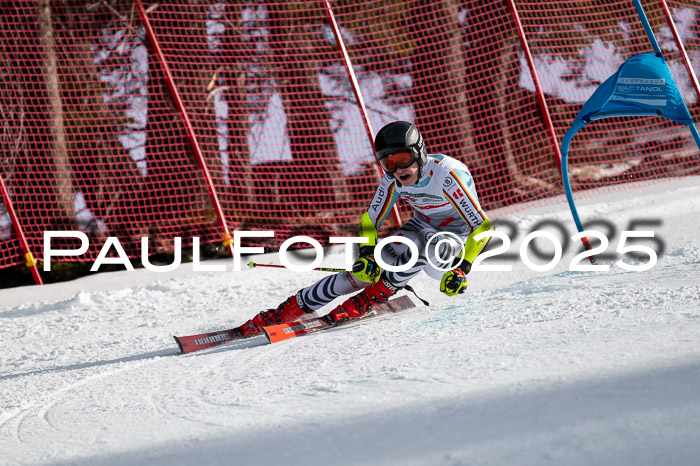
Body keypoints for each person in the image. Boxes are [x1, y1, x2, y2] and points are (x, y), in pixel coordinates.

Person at [236, 121, 493, 336]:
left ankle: (370, 298)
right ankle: (287, 310)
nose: (398, 170)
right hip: (421, 226)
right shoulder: (392, 181)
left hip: (454, 238)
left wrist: (463, 267)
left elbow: (482, 225)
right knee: (372, 266)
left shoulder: (446, 174)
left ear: (419, 152)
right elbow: (368, 221)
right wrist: (367, 255)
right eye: (388, 163)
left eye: (403, 159)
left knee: (426, 248)